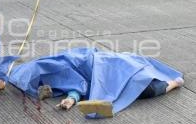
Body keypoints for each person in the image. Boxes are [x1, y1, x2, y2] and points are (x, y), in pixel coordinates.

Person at [9, 48, 184, 118]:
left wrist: (72, 97)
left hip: (105, 64)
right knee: (138, 91)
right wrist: (71, 99)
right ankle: (169, 82)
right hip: (100, 70)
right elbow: (76, 86)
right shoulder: (49, 76)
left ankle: (173, 83)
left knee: (143, 87)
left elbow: (77, 82)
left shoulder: (57, 64)